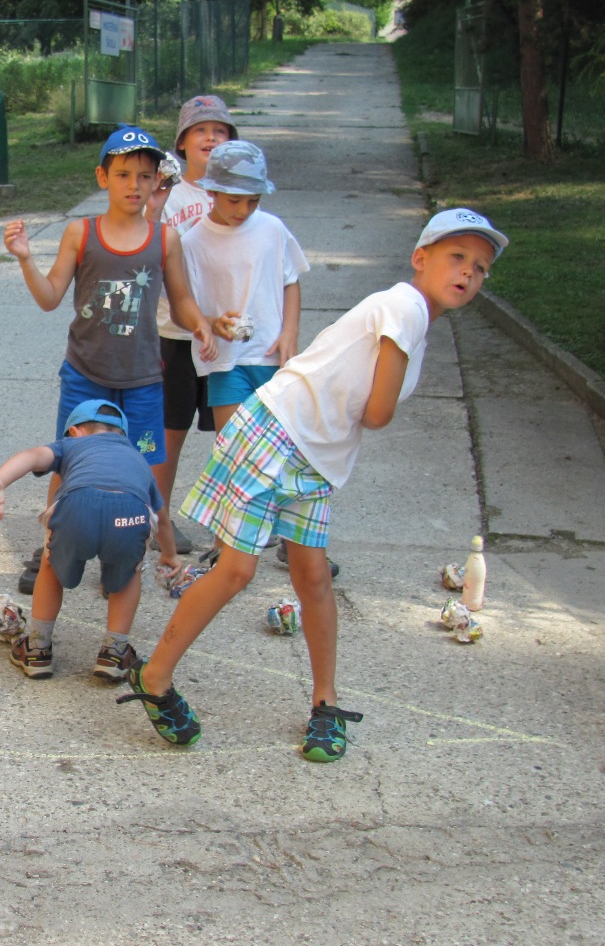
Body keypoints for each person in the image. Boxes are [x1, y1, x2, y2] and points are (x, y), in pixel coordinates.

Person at [117, 208, 508, 762]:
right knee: (236, 570)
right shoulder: (404, 307)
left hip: (316, 459)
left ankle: (326, 703)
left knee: (314, 579)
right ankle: (155, 676)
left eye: (480, 267)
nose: (468, 271)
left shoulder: (415, 323)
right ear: (420, 258)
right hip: (278, 431)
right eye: (457, 257)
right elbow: (377, 414)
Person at [3, 124, 217, 591]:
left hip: (142, 379)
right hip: (86, 375)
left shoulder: (165, 239)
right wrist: (24, 258)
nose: (133, 185)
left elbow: (181, 301)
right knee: (68, 461)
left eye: (144, 176)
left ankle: (129, 545)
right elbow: (49, 297)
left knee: (142, 468)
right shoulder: (81, 233)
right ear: (103, 177)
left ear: (156, 181)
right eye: (123, 175)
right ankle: (51, 545)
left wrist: (200, 324)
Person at [0, 400, 164, 681]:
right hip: (129, 513)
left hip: (78, 507)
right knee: (130, 573)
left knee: (50, 565)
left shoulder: (71, 445)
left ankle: (37, 649)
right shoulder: (137, 457)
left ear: (74, 431)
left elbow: (32, 456)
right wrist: (170, 555)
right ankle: (114, 653)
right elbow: (161, 515)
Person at [147, 95, 237, 554]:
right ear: (181, 142)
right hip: (175, 332)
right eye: (200, 130)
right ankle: (158, 520)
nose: (210, 138)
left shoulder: (237, 195)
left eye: (219, 131)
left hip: (228, 334)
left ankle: (235, 526)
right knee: (171, 430)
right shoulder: (171, 195)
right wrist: (154, 203)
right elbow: (144, 242)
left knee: (233, 433)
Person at [185, 140, 309, 432]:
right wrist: (212, 324)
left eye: (253, 200)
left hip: (271, 355)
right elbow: (184, 304)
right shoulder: (192, 241)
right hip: (226, 361)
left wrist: (290, 332)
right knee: (234, 446)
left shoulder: (272, 228)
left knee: (276, 445)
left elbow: (291, 281)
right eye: (234, 200)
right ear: (211, 191)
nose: (244, 209)